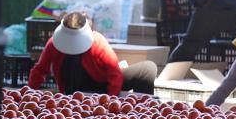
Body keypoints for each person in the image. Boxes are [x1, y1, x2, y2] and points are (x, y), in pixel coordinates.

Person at [28, 12, 157, 96]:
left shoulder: (97, 41)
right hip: (73, 91)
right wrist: (29, 94)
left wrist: (110, 101)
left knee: (148, 69)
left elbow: (114, 73)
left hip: (101, 85)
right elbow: (40, 70)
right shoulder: (54, 43)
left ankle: (144, 110)